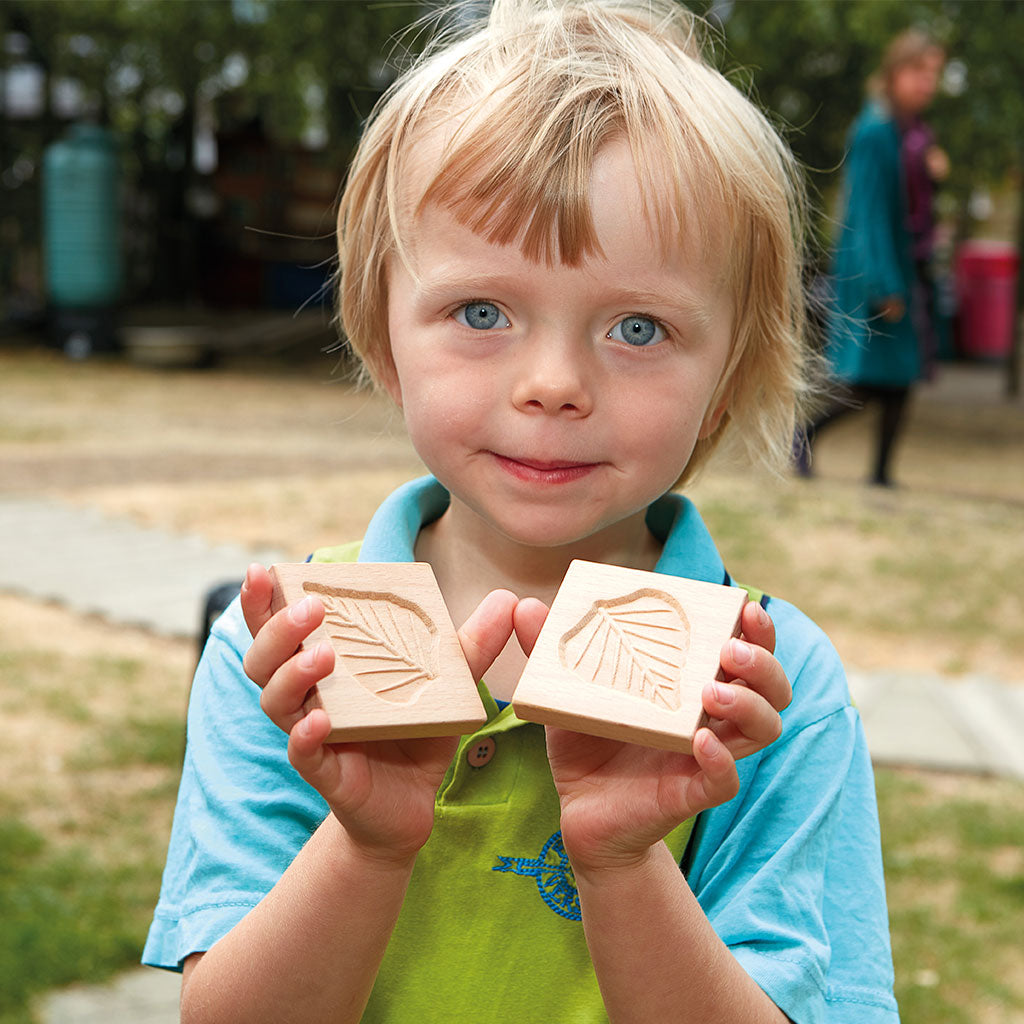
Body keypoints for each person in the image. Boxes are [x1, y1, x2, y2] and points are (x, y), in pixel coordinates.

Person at [143, 2, 899, 1021]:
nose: (553, 385)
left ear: (727, 381)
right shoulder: (291, 650)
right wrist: (368, 845)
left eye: (638, 327)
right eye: (482, 312)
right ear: (381, 336)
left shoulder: (764, 688)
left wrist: (624, 859)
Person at [796, 29, 946, 487]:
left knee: (899, 378)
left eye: (934, 74)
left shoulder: (910, 132)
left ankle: (880, 472)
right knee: (865, 379)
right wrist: (884, 283)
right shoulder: (875, 131)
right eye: (919, 71)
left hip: (903, 269)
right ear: (896, 72)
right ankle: (803, 436)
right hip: (877, 271)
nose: (928, 83)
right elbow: (868, 216)